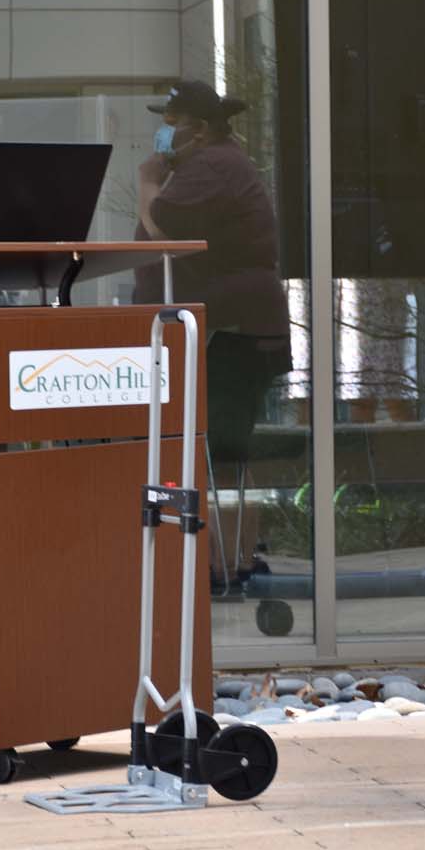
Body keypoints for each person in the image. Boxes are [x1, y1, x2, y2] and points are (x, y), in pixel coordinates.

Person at [134, 80, 291, 590]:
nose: (165, 132)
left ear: (199, 129)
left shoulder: (212, 166)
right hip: (230, 328)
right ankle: (230, 560)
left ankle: (225, 565)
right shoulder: (211, 163)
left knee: (223, 449)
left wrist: (146, 181)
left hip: (232, 332)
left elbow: (164, 231)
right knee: (226, 450)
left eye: (173, 122)